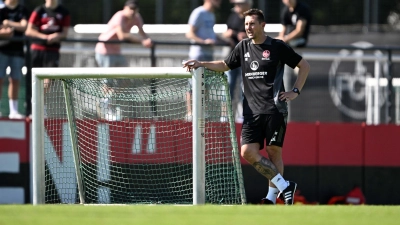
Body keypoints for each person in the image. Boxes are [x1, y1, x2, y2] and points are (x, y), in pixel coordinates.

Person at [183, 8, 310, 205]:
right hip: (250, 112)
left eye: (252, 23)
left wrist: (295, 91)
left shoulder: (277, 46)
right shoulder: (242, 47)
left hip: (275, 109)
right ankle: (285, 186)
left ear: (262, 25)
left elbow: (304, 66)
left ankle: (270, 198)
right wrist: (201, 63)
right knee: (247, 152)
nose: (248, 28)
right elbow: (225, 65)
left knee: (274, 153)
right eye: (246, 24)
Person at [25, 0, 70, 117]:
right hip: (37, 50)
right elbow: (29, 30)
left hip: (53, 51)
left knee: (48, 80)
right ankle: (31, 108)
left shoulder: (64, 12)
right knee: (33, 81)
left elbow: (65, 33)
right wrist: (44, 37)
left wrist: (56, 36)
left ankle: (40, 104)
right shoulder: (39, 10)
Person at [185, 0, 222, 121]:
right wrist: (204, 42)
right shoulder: (198, 12)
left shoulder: (211, 14)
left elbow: (211, 34)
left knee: (206, 85)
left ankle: (201, 111)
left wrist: (224, 39)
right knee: (192, 85)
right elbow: (189, 33)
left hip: (208, 55)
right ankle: (190, 113)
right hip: (198, 55)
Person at [95, 0, 153, 68]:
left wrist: (148, 41)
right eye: (130, 8)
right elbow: (122, 36)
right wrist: (142, 41)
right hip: (104, 51)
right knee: (108, 78)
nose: (132, 11)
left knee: (125, 76)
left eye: (134, 9)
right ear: (125, 8)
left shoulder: (136, 17)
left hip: (117, 51)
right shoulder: (119, 16)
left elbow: (142, 32)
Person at [222, 0, 252, 123]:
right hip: (232, 58)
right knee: (228, 86)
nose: (237, 6)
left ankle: (242, 115)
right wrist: (231, 34)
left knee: (244, 88)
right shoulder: (232, 16)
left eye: (240, 3)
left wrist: (245, 36)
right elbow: (226, 33)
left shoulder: (252, 17)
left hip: (247, 58)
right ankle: (225, 116)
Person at [0, 0, 29, 119]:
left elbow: (24, 26)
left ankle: (14, 110)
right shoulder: (1, 9)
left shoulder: (22, 9)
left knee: (15, 80)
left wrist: (8, 23)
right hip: (2, 51)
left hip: (17, 51)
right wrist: (4, 32)